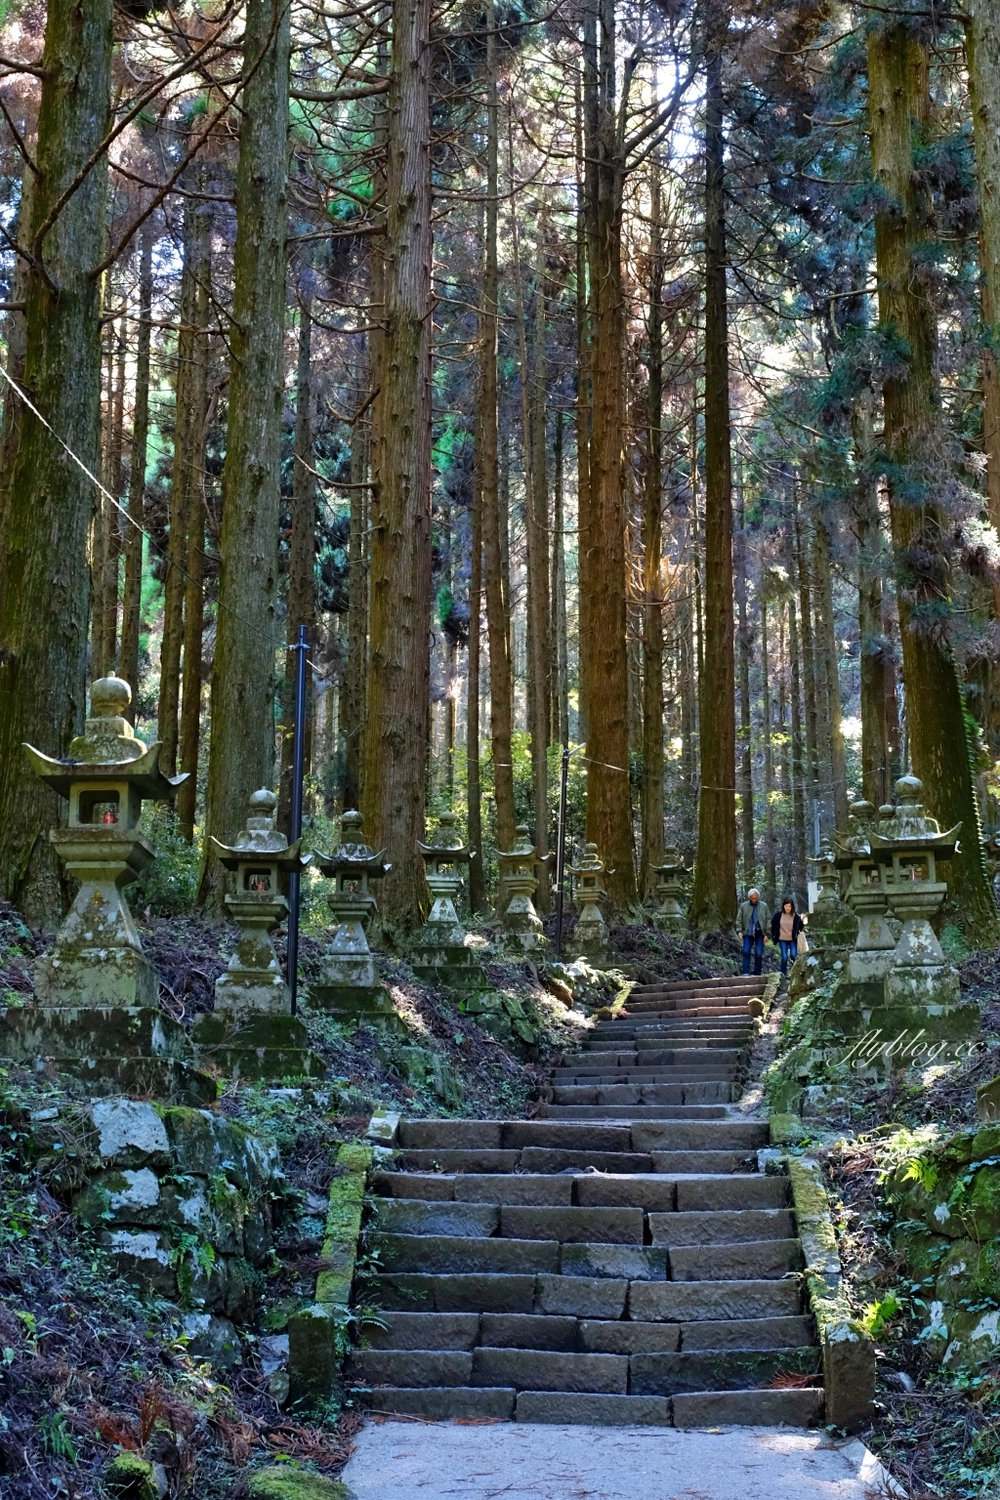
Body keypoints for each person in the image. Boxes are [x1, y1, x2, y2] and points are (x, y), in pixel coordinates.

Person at [737, 888, 770, 975]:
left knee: (759, 953)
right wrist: (739, 931)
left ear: (758, 897)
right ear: (749, 898)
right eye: (753, 898)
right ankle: (745, 972)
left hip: (760, 933)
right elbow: (739, 920)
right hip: (748, 933)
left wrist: (767, 934)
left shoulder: (764, 906)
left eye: (756, 898)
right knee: (746, 951)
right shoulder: (744, 906)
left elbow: (768, 920)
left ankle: (757, 972)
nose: (754, 900)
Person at [770, 897, 805, 976]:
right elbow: (773, 926)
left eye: (789, 906)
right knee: (784, 957)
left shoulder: (795, 916)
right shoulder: (778, 915)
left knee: (793, 955)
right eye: (786, 906)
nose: (788, 908)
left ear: (792, 907)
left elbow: (800, 928)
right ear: (783, 906)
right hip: (782, 939)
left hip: (792, 939)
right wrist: (773, 936)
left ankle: (794, 973)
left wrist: (802, 921)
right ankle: (783, 974)